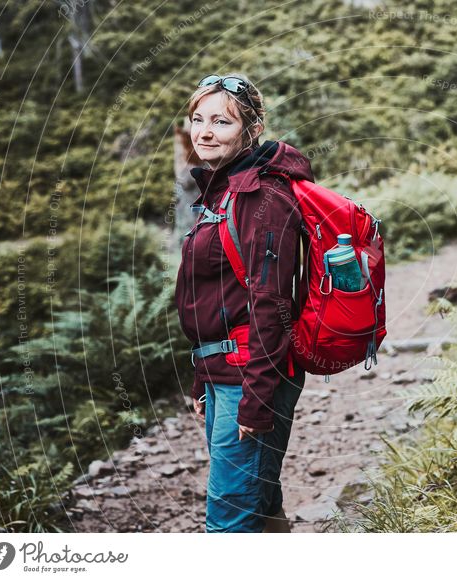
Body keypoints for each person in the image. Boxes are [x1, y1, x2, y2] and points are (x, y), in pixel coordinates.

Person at [174, 72, 314, 533]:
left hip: (252, 375)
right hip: (226, 372)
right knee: (259, 500)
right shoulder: (223, 190)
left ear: (252, 129)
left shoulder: (261, 196)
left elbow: (270, 304)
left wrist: (255, 399)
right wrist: (203, 375)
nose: (205, 132)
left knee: (228, 519)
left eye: (222, 122)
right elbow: (214, 296)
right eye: (198, 119)